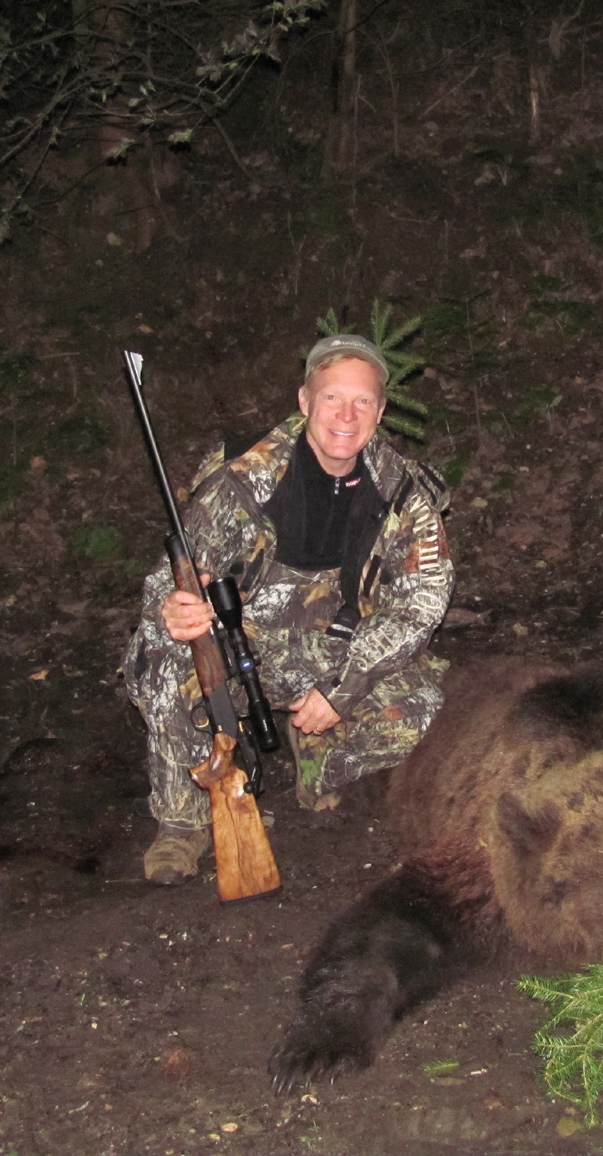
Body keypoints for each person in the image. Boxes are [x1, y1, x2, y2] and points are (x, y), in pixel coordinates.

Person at [123, 335, 454, 884]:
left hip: (332, 651)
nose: (346, 415)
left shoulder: (403, 492)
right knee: (162, 651)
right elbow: (171, 574)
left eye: (363, 402)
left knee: (422, 712)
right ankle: (182, 822)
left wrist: (341, 689)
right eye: (332, 398)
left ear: (381, 410)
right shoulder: (242, 474)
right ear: (305, 401)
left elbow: (419, 607)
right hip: (242, 641)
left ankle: (318, 760)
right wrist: (175, 608)